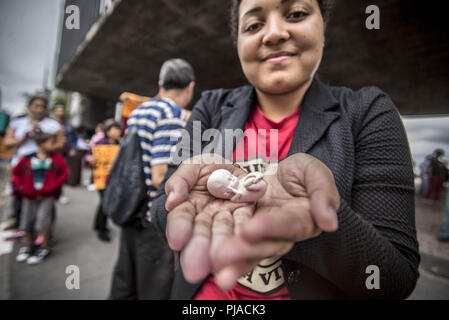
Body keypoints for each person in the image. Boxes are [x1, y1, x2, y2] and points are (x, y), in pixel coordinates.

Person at [150, 0, 420, 299]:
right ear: (238, 42)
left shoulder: (367, 112)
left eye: (296, 14)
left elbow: (395, 277)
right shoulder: (212, 106)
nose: (274, 33)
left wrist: (316, 221)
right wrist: (188, 198)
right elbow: (162, 205)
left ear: (324, 29)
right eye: (253, 25)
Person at [109, 58, 195, 299]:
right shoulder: (172, 113)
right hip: (152, 220)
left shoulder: (140, 111)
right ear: (190, 87)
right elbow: (160, 177)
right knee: (154, 287)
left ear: (161, 83)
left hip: (130, 210)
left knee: (125, 282)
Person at [3, 94, 64, 231]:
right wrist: (23, 138)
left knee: (46, 198)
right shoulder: (17, 123)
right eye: (36, 106)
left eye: (42, 107)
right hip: (23, 166)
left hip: (45, 167)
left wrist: (43, 140)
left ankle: (46, 230)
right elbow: (8, 143)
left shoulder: (52, 125)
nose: (39, 109)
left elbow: (60, 144)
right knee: (20, 195)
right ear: (30, 106)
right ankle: (19, 222)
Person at [12, 133, 69, 264]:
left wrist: (54, 185)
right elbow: (16, 173)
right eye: (51, 142)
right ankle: (28, 246)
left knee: (44, 222)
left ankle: (44, 247)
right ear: (41, 144)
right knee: (27, 221)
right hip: (29, 195)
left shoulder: (56, 159)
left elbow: (64, 172)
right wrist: (21, 186)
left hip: (46, 196)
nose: (54, 146)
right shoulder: (27, 159)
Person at [85, 121, 123, 242]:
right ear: (108, 131)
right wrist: (89, 159)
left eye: (118, 129)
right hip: (101, 178)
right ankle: (102, 230)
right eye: (114, 129)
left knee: (103, 203)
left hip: (115, 179)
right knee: (105, 203)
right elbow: (87, 156)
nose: (117, 131)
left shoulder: (122, 144)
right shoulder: (100, 143)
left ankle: (98, 225)